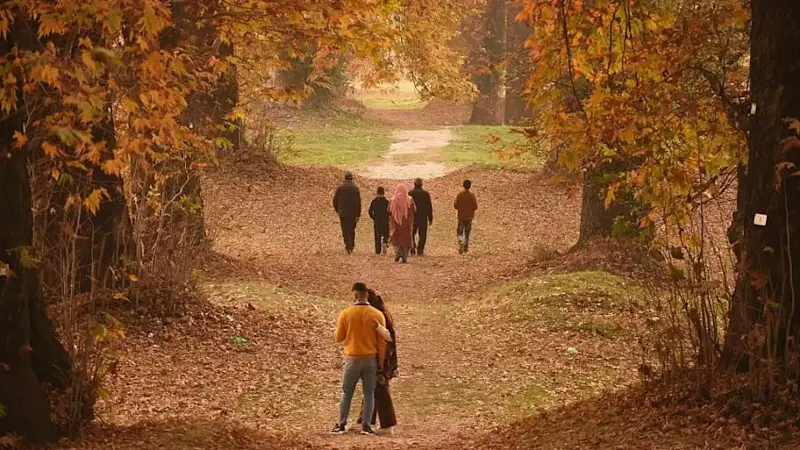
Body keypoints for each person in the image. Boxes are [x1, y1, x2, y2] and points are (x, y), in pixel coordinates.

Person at [332, 282, 387, 436]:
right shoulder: (377, 315)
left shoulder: (346, 313)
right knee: (369, 393)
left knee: (347, 392)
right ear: (367, 295)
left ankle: (341, 424)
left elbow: (338, 337)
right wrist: (380, 362)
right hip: (370, 359)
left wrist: (336, 330)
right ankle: (367, 426)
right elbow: (382, 341)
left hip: (352, 358)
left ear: (354, 295)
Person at [357, 289, 398, 433]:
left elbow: (387, 339)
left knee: (380, 390)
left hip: (381, 359)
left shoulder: (379, 317)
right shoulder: (382, 314)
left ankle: (387, 425)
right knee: (372, 389)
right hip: (382, 358)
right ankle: (366, 420)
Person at [333, 172, 362, 254]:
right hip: (353, 213)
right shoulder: (355, 189)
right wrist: (358, 214)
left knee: (345, 230)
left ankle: (347, 246)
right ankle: (352, 245)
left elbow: (335, 200)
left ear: (345, 178)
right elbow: (358, 202)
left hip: (343, 212)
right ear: (352, 179)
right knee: (352, 229)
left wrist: (338, 210)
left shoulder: (340, 188)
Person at [388, 184, 416, 263]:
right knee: (406, 239)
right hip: (406, 222)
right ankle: (404, 256)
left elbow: (389, 210)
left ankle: (397, 252)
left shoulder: (393, 200)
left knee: (396, 238)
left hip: (395, 222)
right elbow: (414, 209)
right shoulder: (410, 199)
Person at [408, 178, 433, 256]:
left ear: (414, 184)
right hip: (423, 217)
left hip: (413, 217)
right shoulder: (425, 194)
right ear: (421, 184)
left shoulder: (410, 193)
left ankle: (412, 247)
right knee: (422, 234)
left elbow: (408, 206)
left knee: (412, 233)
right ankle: (420, 249)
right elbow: (429, 206)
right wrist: (430, 218)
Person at [453, 179, 478, 254]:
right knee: (467, 233)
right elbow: (475, 206)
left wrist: (460, 208)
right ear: (470, 186)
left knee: (459, 232)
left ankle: (460, 241)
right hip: (469, 217)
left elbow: (455, 205)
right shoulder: (472, 195)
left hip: (461, 216)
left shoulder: (460, 195)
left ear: (463, 185)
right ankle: (465, 248)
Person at [368, 187, 390, 255]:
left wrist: (373, 217)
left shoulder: (374, 201)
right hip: (385, 220)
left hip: (377, 221)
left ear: (377, 192)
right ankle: (384, 242)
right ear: (384, 192)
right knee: (386, 234)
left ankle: (378, 250)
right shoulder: (387, 202)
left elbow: (370, 211)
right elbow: (390, 211)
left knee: (377, 235)